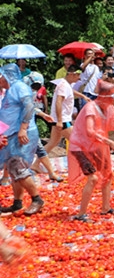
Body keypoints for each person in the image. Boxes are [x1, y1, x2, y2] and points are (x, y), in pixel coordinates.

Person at [69, 80, 114, 221]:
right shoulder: (90, 108)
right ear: (105, 97)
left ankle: (105, 208)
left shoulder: (110, 108)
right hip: (81, 146)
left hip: (97, 145)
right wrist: (110, 142)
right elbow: (90, 131)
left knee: (108, 174)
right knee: (93, 178)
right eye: (113, 96)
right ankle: (81, 214)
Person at [0, 64, 45, 215]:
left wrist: (23, 128)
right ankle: (17, 203)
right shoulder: (9, 91)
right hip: (12, 134)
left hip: (23, 133)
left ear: (5, 76)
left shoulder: (19, 87)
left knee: (17, 166)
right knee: (13, 170)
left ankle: (37, 199)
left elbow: (29, 106)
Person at [44, 66, 82, 155]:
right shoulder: (63, 85)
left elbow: (70, 91)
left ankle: (36, 163)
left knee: (52, 143)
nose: (79, 78)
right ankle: (86, 166)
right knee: (77, 141)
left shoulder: (65, 84)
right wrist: (60, 121)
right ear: (72, 74)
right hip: (63, 120)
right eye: (78, 75)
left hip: (59, 119)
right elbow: (58, 102)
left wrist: (83, 96)